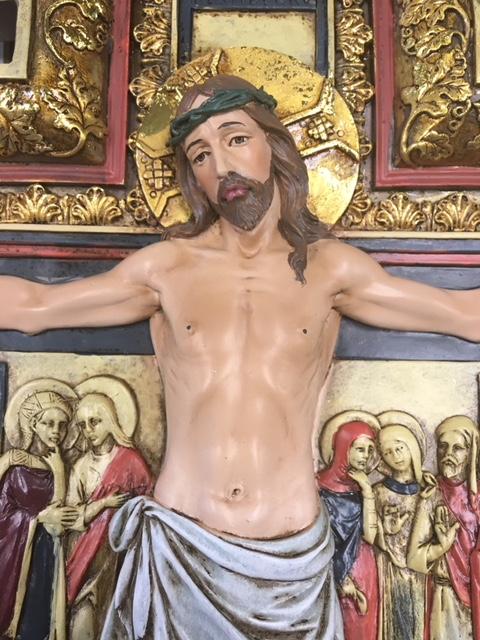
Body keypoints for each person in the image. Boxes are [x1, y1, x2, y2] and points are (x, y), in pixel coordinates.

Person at [0, 73, 479, 637]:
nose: (221, 166)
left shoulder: (330, 270)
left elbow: (461, 314)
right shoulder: (167, 270)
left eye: (235, 138)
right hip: (180, 550)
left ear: (273, 145)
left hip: (291, 569)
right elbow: (36, 307)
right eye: (200, 155)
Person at [66, 379, 153, 640]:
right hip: (87, 552)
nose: (88, 430)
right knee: (85, 603)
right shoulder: (81, 466)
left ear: (109, 420)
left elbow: (149, 502)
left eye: (95, 421)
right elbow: (72, 515)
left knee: (116, 605)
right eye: (82, 425)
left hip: (122, 551)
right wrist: (102, 505)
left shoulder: (130, 460)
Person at [0, 380, 78, 640]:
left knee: (42, 619)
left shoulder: (59, 466)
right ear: (33, 424)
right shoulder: (16, 467)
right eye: (48, 423)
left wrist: (59, 473)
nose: (56, 431)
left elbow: (61, 517)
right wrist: (38, 518)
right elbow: (3, 514)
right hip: (18, 555)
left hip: (48, 554)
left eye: (62, 425)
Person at [407, 415, 480, 640]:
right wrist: (442, 547)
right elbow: (414, 558)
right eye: (443, 446)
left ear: (471, 453)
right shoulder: (432, 495)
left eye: (457, 448)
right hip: (446, 598)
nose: (448, 454)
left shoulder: (477, 497)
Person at [316, 418, 379, 640]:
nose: (366, 456)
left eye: (370, 450)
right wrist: (341, 576)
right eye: (360, 449)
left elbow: (370, 536)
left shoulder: (361, 488)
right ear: (343, 447)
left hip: (364, 568)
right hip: (332, 570)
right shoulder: (317, 486)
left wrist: (367, 491)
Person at [373, 411, 430, 640]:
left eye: (399, 448)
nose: (395, 456)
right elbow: (371, 534)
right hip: (389, 569)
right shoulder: (378, 492)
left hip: (420, 573)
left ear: (412, 448)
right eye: (387, 452)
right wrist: (386, 533)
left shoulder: (427, 490)